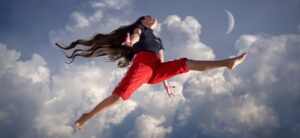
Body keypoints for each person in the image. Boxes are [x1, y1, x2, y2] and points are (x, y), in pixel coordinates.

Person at [55, 15, 247, 131]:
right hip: (143, 64)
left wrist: (165, 82)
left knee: (185, 63)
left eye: (152, 18)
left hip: (155, 69)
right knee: (121, 96)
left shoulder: (158, 40)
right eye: (148, 17)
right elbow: (137, 35)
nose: (152, 18)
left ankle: (227, 63)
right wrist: (132, 41)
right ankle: (88, 116)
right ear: (143, 20)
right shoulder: (141, 29)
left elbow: (161, 60)